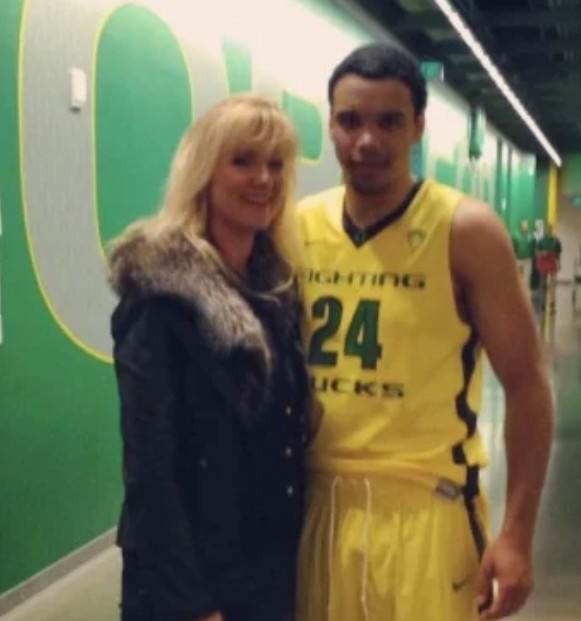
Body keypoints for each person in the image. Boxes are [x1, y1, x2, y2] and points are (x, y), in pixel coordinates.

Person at [295, 44, 554, 621]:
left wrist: (516, 534)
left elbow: (528, 384)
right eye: (350, 120)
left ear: (417, 127)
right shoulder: (298, 224)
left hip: (427, 510)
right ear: (330, 125)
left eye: (389, 122)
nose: (367, 140)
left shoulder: (465, 230)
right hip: (320, 507)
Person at [108, 94, 310, 621]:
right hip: (191, 580)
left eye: (276, 164)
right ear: (204, 172)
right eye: (243, 161)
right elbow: (150, 469)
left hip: (266, 569)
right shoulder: (161, 296)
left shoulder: (277, 289)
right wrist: (192, 605)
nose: (264, 179)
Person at [535, 223, 562, 313]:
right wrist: (542, 253)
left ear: (551, 230)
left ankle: (552, 303)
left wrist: (559, 263)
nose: (548, 231)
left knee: (552, 285)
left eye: (550, 229)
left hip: (552, 264)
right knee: (543, 285)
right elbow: (537, 252)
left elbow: (558, 253)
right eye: (547, 229)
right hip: (543, 264)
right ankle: (543, 303)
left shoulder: (555, 241)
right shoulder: (541, 241)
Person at [511, 219, 534, 288]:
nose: (525, 227)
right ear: (521, 227)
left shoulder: (530, 236)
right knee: (518, 279)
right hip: (518, 260)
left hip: (527, 260)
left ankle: (525, 293)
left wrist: (531, 256)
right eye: (524, 226)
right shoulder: (516, 236)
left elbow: (533, 247)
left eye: (526, 226)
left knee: (526, 279)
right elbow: (513, 247)